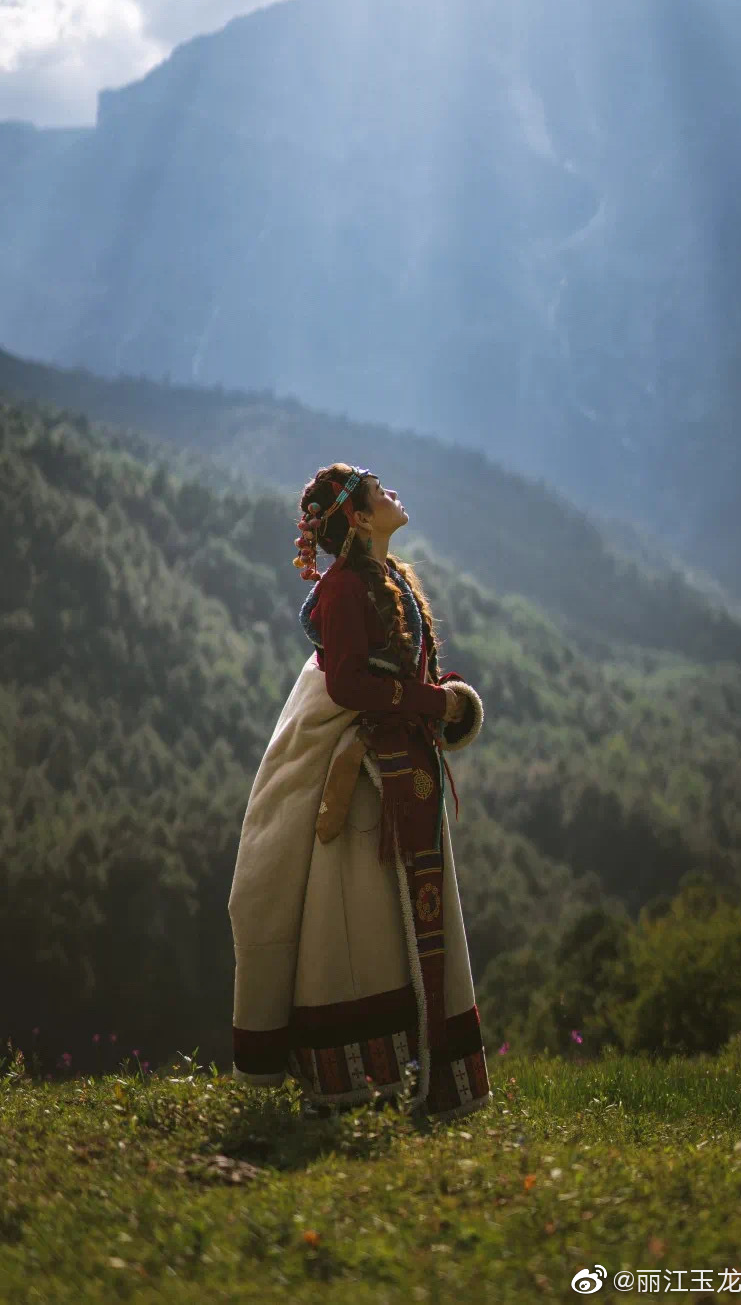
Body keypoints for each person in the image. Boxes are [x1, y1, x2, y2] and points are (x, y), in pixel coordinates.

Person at [228, 462, 491, 1121]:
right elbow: (346, 684)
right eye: (379, 490)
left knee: (392, 918)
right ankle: (357, 1078)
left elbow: (386, 671)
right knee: (361, 920)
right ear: (360, 518)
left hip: (399, 766)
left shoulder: (385, 578)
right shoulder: (346, 588)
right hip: (364, 776)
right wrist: (435, 702)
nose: (393, 492)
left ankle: (411, 1070)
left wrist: (434, 704)